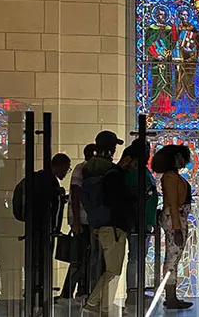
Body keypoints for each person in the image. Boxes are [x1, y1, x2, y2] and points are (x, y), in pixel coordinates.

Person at [83, 131, 135, 315]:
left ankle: (103, 305)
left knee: (105, 267)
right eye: (114, 146)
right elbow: (115, 198)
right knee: (113, 270)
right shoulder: (110, 170)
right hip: (112, 225)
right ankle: (95, 303)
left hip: (96, 223)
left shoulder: (88, 167)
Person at [152, 144, 195, 310]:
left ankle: (172, 295)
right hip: (174, 218)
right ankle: (170, 297)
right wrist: (177, 228)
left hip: (178, 217)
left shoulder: (174, 176)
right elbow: (173, 203)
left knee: (174, 258)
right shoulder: (170, 177)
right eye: (179, 157)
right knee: (172, 257)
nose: (182, 161)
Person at [121, 138, 158, 309]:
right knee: (135, 257)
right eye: (145, 150)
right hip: (137, 220)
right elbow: (133, 195)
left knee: (139, 256)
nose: (148, 154)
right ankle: (133, 293)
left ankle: (138, 291)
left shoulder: (143, 170)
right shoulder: (133, 171)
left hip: (146, 219)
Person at [32, 153, 71, 306]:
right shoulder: (49, 181)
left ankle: (39, 295)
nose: (65, 173)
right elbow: (46, 205)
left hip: (37, 228)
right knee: (42, 263)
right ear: (59, 166)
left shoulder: (40, 178)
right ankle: (42, 297)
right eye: (66, 169)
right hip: (43, 230)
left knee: (38, 263)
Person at [61, 144, 97, 301]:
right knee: (80, 258)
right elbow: (75, 194)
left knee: (88, 258)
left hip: (88, 220)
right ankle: (68, 293)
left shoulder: (89, 169)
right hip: (82, 221)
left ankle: (81, 291)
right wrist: (76, 221)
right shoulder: (81, 169)